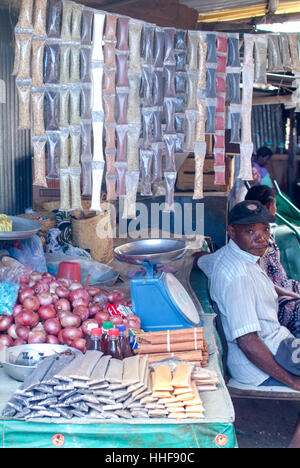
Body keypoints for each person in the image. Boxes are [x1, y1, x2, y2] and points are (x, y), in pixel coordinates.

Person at [197, 200, 300, 448]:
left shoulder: (237, 256)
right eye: (250, 231)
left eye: (265, 230)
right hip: (261, 360)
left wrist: (197, 257)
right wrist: (292, 382)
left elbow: (202, 261)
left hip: (278, 343)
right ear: (231, 232)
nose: (261, 238)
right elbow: (248, 342)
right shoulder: (239, 276)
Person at [245, 185, 300, 337]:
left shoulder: (263, 232)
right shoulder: (257, 242)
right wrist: (293, 296)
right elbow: (265, 282)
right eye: (275, 204)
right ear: (269, 206)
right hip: (278, 300)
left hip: (287, 288)